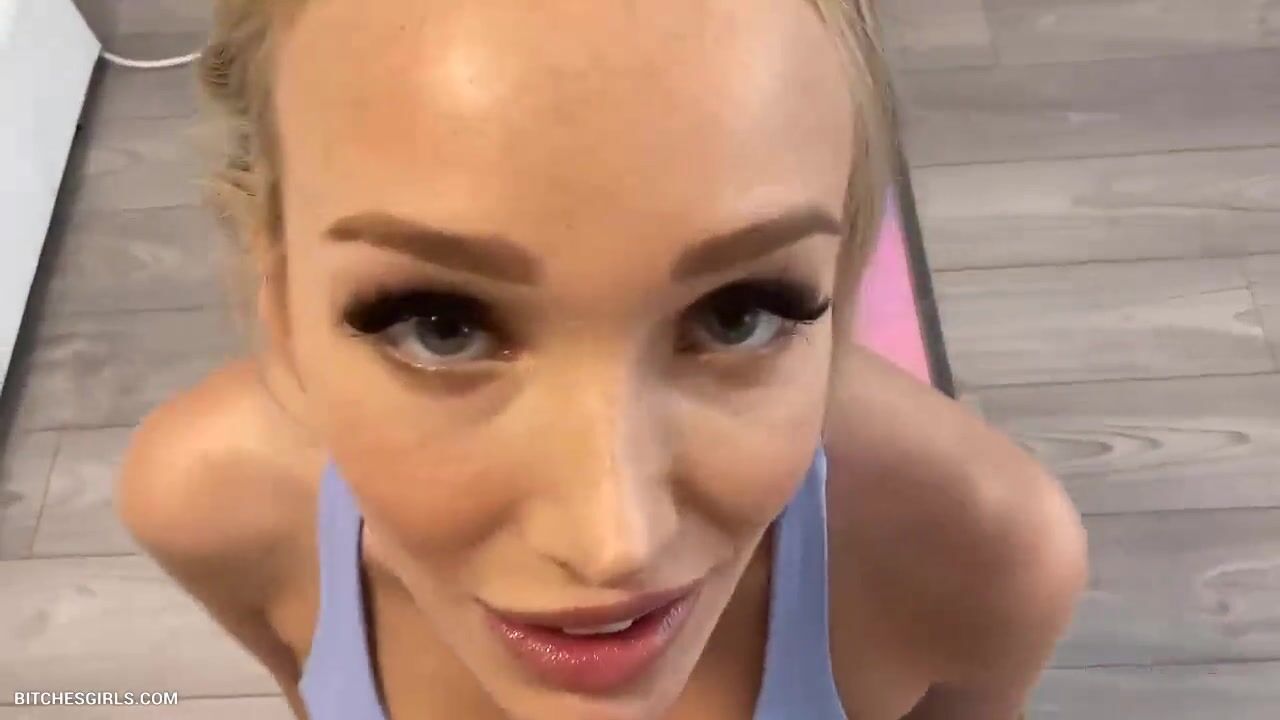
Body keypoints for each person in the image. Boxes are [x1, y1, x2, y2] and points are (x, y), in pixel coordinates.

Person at [116, 0, 1087, 718]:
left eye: (740, 314)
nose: (612, 541)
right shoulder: (210, 512)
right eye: (441, 324)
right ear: (281, 305)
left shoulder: (978, 558)